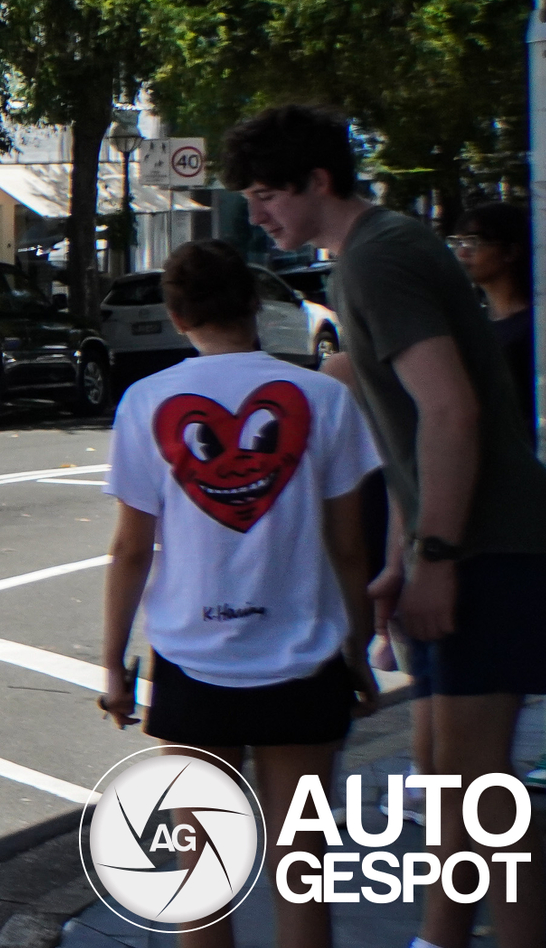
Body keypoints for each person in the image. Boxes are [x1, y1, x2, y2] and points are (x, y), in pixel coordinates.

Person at [223, 105, 546, 948]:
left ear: (317, 182)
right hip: (460, 543)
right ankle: (438, 938)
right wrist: (406, 553)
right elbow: (407, 425)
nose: (259, 215)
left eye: (266, 194)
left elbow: (450, 411)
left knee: (479, 784)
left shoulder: (379, 259)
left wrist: (434, 554)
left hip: (488, 546)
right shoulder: (373, 256)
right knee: (446, 774)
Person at [98, 240, 380, 948]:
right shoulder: (324, 397)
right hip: (306, 658)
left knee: (202, 882)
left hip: (193, 664)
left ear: (175, 313)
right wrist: (359, 646)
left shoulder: (145, 402)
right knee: (303, 876)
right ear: (255, 304)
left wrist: (113, 664)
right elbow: (350, 545)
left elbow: (131, 548)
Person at [454, 201, 533, 430]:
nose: (462, 252)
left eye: (473, 242)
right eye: (458, 242)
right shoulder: (471, 324)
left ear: (511, 251)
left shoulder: (534, 328)